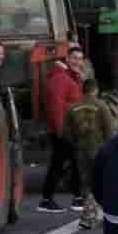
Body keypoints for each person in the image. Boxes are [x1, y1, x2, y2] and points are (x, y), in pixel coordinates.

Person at [67, 78, 118, 229]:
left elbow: (65, 133)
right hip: (99, 150)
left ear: (82, 90)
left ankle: (89, 215)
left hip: (80, 152)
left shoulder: (73, 108)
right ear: (95, 90)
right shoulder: (102, 106)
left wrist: (77, 144)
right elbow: (110, 131)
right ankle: (91, 216)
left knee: (86, 184)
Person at [37, 51, 84, 212]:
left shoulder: (69, 77)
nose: (77, 62)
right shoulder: (60, 79)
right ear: (67, 59)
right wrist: (60, 130)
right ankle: (48, 199)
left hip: (69, 129)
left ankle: (76, 198)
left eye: (80, 59)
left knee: (71, 162)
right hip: (63, 130)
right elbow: (55, 106)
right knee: (61, 164)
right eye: (74, 58)